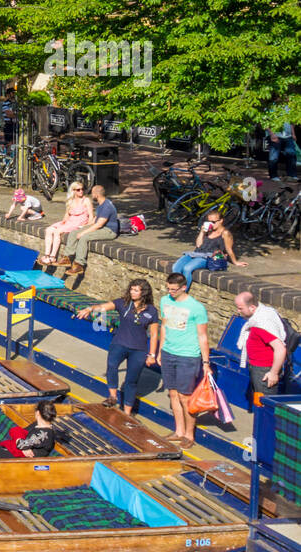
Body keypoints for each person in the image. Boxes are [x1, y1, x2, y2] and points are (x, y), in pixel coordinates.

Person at [75, 279, 161, 415]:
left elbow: (155, 334)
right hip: (120, 343)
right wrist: (90, 309)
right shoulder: (123, 303)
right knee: (112, 365)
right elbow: (104, 307)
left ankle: (127, 413)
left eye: (136, 290)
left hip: (139, 349)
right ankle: (112, 396)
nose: (132, 292)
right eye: (131, 289)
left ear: (144, 293)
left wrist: (152, 355)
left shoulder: (152, 311)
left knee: (131, 381)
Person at [158, 272, 212, 448]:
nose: (170, 292)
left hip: (188, 355)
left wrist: (206, 363)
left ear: (184, 287)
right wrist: (160, 351)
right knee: (173, 393)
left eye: (174, 289)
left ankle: (189, 435)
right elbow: (164, 326)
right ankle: (179, 431)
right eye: (168, 288)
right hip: (168, 352)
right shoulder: (165, 301)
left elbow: (202, 336)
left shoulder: (196, 307)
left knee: (185, 396)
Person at [234, 291, 289, 402]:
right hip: (258, 367)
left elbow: (280, 349)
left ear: (252, 307)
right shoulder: (262, 315)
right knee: (258, 402)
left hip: (264, 371)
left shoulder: (262, 325)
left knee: (265, 406)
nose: (238, 311)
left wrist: (273, 373)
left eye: (240, 308)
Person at [170, 210, 247, 285]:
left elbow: (229, 249)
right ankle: (175, 289)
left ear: (221, 221)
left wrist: (235, 262)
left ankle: (183, 293)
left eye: (213, 222)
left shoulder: (225, 233)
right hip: (196, 253)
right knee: (176, 267)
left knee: (187, 268)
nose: (211, 224)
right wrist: (202, 232)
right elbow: (198, 245)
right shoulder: (208, 230)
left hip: (209, 257)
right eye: (209, 222)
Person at [63, 185, 121, 274]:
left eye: (92, 193)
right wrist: (84, 227)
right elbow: (95, 220)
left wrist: (83, 233)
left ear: (97, 194)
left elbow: (99, 224)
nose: (91, 195)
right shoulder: (101, 204)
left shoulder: (107, 206)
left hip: (109, 230)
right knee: (74, 233)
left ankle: (79, 264)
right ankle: (67, 258)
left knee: (84, 237)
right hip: (102, 227)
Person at [38, 181, 93, 266]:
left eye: (82, 189)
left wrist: (86, 227)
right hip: (70, 221)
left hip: (78, 223)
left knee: (57, 232)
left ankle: (52, 257)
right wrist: (62, 223)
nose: (81, 191)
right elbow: (67, 215)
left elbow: (91, 216)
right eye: (78, 190)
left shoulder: (86, 200)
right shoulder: (70, 201)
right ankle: (47, 255)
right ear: (73, 191)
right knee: (49, 230)